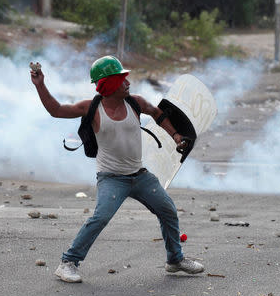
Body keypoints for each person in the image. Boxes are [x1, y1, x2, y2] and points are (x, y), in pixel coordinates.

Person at [30, 55, 204, 283]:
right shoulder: (91, 108)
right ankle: (68, 262)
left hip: (139, 176)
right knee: (100, 218)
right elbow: (56, 110)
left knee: (168, 210)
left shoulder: (135, 102)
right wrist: (40, 84)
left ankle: (175, 260)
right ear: (109, 85)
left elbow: (157, 112)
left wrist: (175, 136)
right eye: (122, 80)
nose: (128, 83)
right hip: (112, 178)